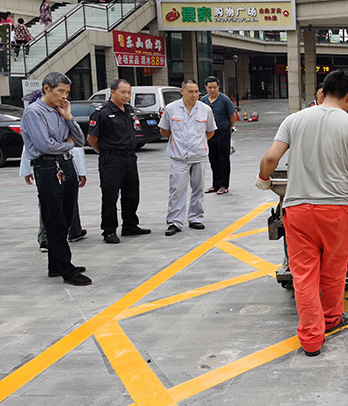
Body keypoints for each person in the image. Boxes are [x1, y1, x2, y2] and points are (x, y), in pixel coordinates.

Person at [256, 70, 348, 357]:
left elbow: (271, 158)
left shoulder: (294, 120)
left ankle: (311, 339)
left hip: (298, 210)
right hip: (337, 211)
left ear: (323, 91)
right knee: (334, 271)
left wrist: (263, 179)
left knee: (304, 274)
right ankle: (331, 319)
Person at [19, 72, 91, 286]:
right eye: (60, 91)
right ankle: (66, 270)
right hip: (48, 167)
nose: (64, 96)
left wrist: (68, 117)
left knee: (66, 217)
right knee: (55, 219)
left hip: (66, 164)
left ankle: (55, 266)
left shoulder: (60, 110)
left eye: (67, 92)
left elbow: (80, 140)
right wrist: (68, 144)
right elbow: (45, 145)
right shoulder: (34, 112)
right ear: (46, 89)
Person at [87, 78, 151, 244]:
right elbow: (92, 138)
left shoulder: (128, 110)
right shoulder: (102, 113)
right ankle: (109, 230)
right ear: (112, 92)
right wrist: (105, 152)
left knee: (132, 194)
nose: (126, 95)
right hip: (111, 159)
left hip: (129, 158)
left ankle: (130, 225)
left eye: (129, 92)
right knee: (110, 196)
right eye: (123, 92)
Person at [159, 79, 216, 236]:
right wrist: (177, 142)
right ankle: (174, 222)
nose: (194, 95)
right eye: (190, 92)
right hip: (179, 157)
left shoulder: (205, 109)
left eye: (196, 91)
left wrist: (198, 143)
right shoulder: (171, 109)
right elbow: (164, 130)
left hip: (199, 155)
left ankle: (196, 218)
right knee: (177, 190)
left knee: (198, 189)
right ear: (182, 92)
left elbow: (210, 131)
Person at [21, 145, 88, 251]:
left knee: (65, 199)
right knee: (53, 202)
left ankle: (72, 231)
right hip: (56, 163)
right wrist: (81, 171)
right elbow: (76, 146)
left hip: (56, 162)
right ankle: (48, 237)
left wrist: (26, 169)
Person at [200, 76, 236, 195]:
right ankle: (215, 184)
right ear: (206, 87)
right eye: (210, 87)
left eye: (214, 87)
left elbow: (232, 116)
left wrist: (229, 128)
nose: (212, 90)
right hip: (210, 133)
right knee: (213, 158)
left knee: (223, 159)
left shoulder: (225, 100)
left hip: (223, 132)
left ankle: (224, 185)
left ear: (218, 87)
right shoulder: (204, 100)